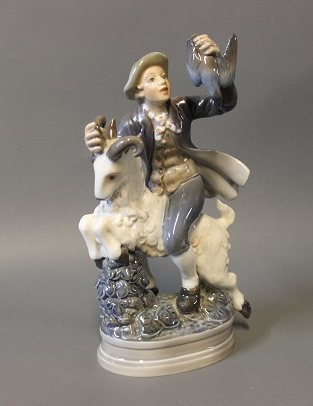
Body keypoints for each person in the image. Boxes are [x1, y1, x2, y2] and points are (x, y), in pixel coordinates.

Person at [85, 34, 250, 315]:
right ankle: (145, 283)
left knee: (174, 238)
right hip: (152, 188)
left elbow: (221, 104)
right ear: (138, 90)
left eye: (164, 76)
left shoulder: (182, 108)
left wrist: (221, 80)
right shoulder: (132, 122)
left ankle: (191, 286)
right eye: (152, 79)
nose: (162, 81)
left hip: (186, 182)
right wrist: (95, 144)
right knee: (133, 231)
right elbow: (113, 157)